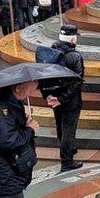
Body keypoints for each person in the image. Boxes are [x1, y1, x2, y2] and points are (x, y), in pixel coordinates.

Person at [37, 25, 85, 171]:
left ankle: (68, 150)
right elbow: (77, 82)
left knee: (60, 127)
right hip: (70, 101)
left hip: (54, 97)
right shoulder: (74, 56)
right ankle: (67, 162)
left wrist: (48, 96)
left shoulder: (51, 52)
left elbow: (42, 77)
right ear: (72, 38)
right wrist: (62, 99)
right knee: (69, 130)